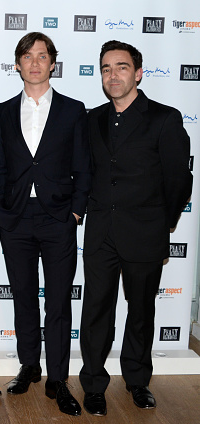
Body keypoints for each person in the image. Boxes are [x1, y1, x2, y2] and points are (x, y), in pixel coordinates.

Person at [79, 40, 192, 416]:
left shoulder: (164, 118)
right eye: (107, 68)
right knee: (96, 312)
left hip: (145, 233)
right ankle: (94, 384)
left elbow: (179, 181)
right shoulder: (92, 118)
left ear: (138, 73)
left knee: (141, 311)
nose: (113, 75)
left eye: (122, 67)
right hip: (100, 235)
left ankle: (138, 382)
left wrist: (161, 224)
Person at [0, 32, 90, 416]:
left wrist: (77, 210)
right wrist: (0, 207)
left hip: (58, 218)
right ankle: (29, 366)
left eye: (42, 56)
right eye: (27, 56)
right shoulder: (2, 110)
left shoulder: (73, 109)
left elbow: (83, 163)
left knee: (59, 301)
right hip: (15, 217)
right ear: (17, 64)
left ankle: (58, 379)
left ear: (53, 63)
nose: (35, 62)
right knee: (23, 295)